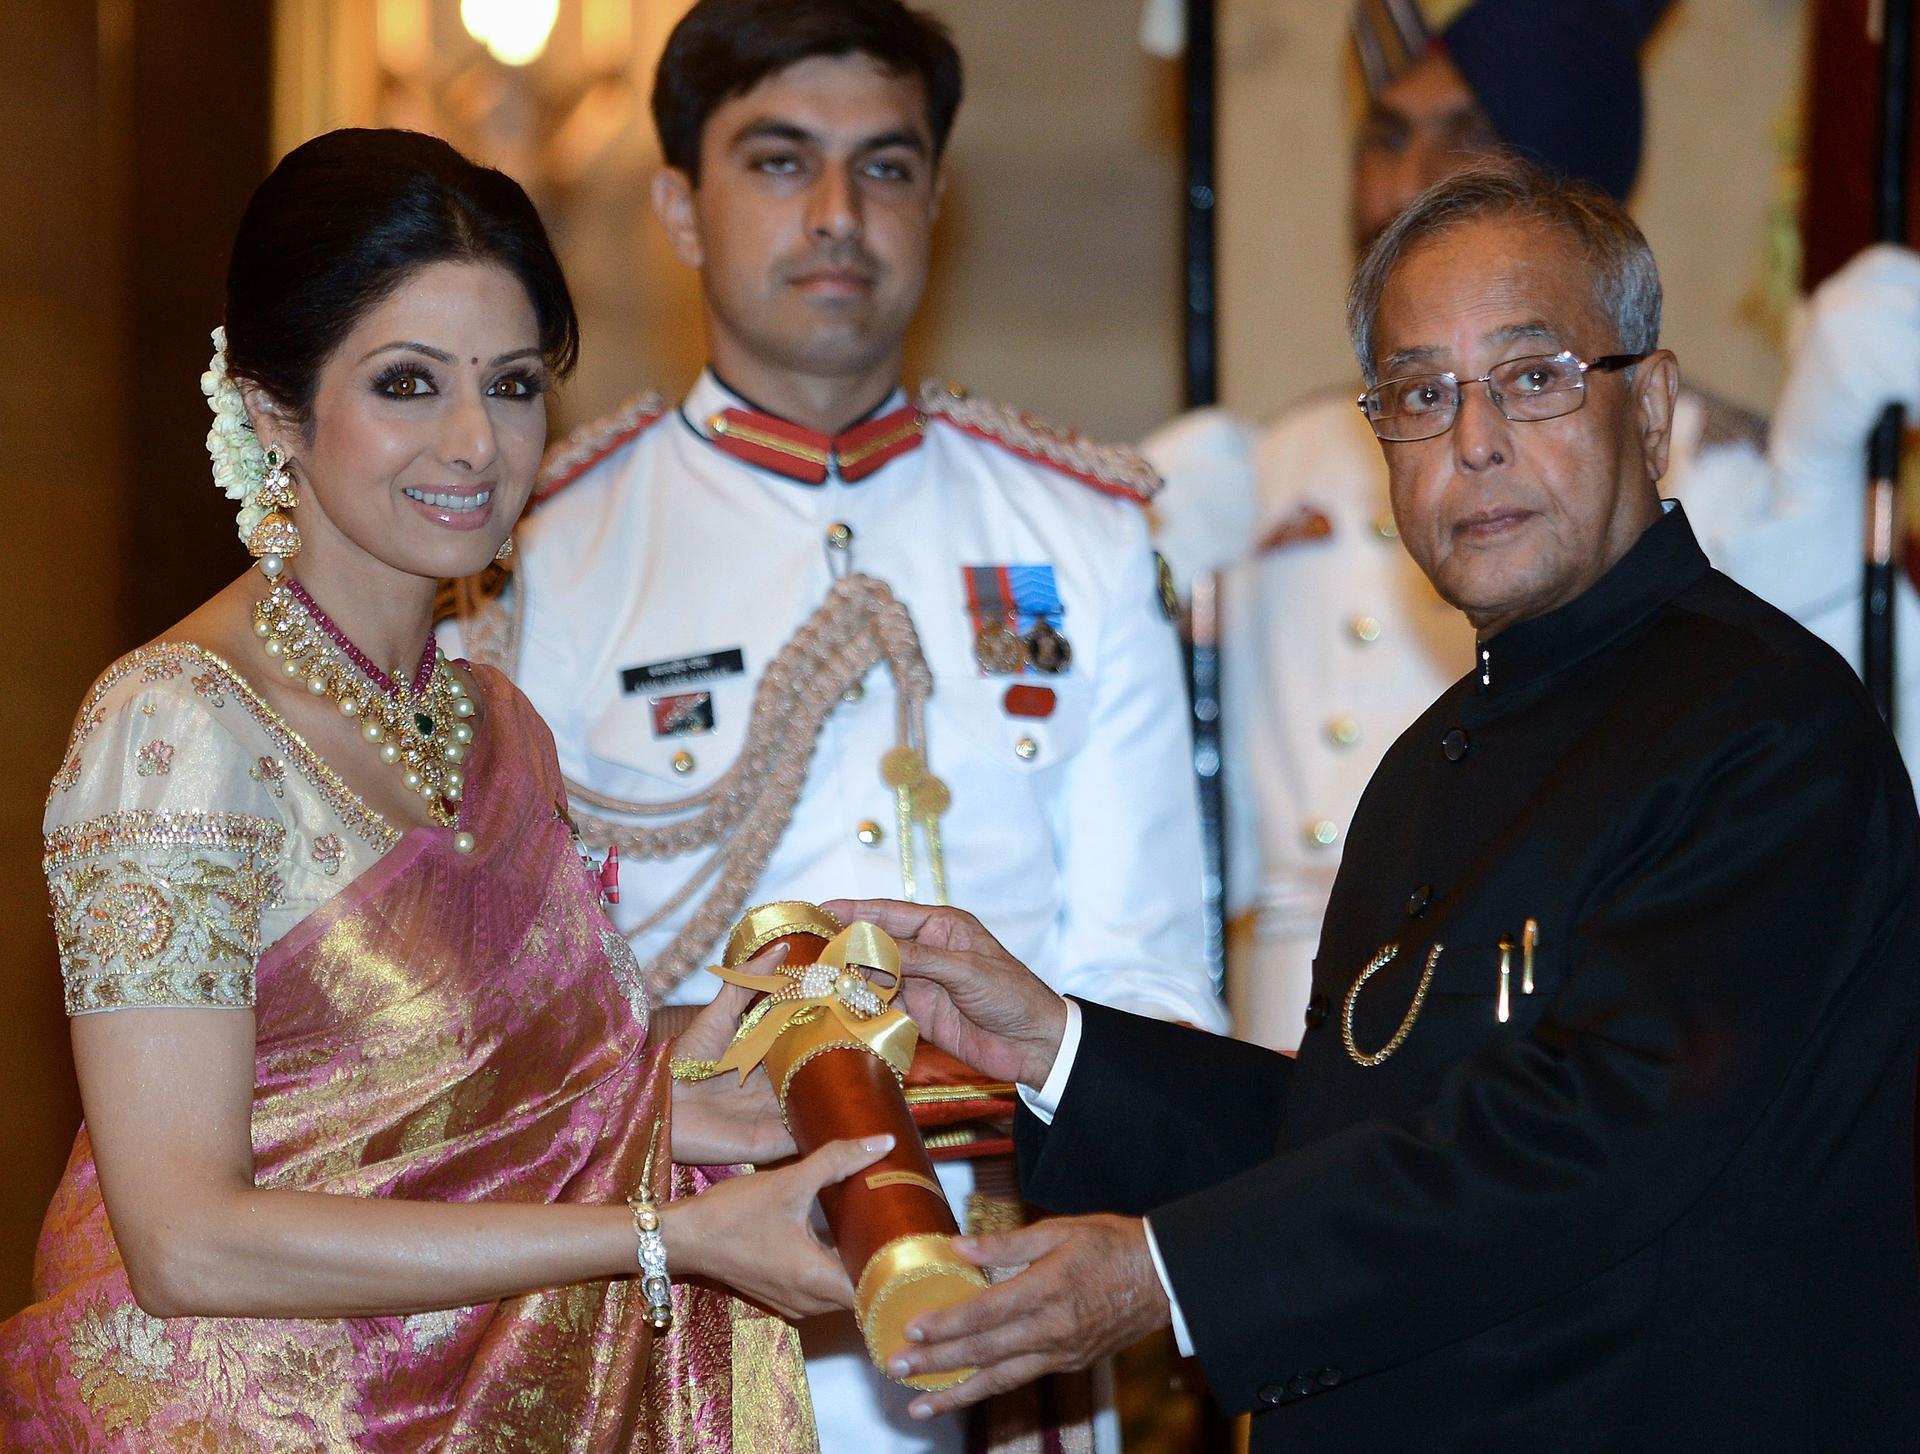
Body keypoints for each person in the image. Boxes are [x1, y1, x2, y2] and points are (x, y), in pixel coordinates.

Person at [838, 163, 1920, 1448]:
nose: (1475, 440)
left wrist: (1167, 1273)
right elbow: (1354, 1143)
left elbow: (1584, 1141)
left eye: (1533, 377)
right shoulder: (1428, 761)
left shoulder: (1768, 726)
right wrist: (1063, 1046)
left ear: (1651, 405)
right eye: (1420, 394)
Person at [0, 127, 887, 1452]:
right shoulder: (177, 726)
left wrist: (670, 1096)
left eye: (514, 384)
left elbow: (479, 1121)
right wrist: (664, 1234)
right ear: (274, 410)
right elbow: (187, 1241)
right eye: (408, 383)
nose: (476, 441)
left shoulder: (497, 726)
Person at [450, 4, 1225, 1450]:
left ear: (938, 200)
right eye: (778, 160)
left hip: (1014, 1307)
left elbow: (1155, 985)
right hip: (687, 1308)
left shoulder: (1082, 534)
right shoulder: (546, 554)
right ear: (680, 206)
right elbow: (509, 1014)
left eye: (884, 166)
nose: (836, 215)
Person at [1146, 0, 1920, 1055]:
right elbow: (1192, 839)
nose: (1406, 181)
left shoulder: (1701, 455)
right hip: (1304, 1024)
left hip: (1573, 1014)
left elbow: (1811, 755)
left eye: (1463, 136)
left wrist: (1824, 500)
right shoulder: (1280, 464)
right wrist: (1147, 596)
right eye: (1385, 136)